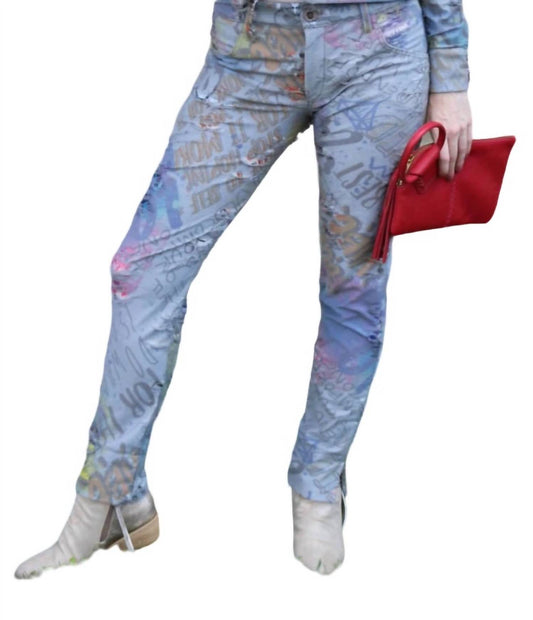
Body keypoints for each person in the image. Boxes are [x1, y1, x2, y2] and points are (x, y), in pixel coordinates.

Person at [14, 0, 472, 578]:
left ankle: (318, 484)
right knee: (143, 271)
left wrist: (450, 73)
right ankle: (110, 492)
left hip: (375, 48)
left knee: (353, 284)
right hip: (253, 45)